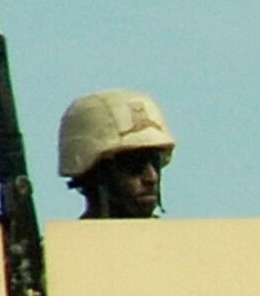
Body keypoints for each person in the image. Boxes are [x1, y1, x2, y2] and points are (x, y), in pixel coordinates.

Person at [58, 89, 176, 218]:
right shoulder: (71, 239)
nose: (152, 177)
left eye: (155, 162)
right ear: (93, 174)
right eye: (134, 163)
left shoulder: (182, 238)